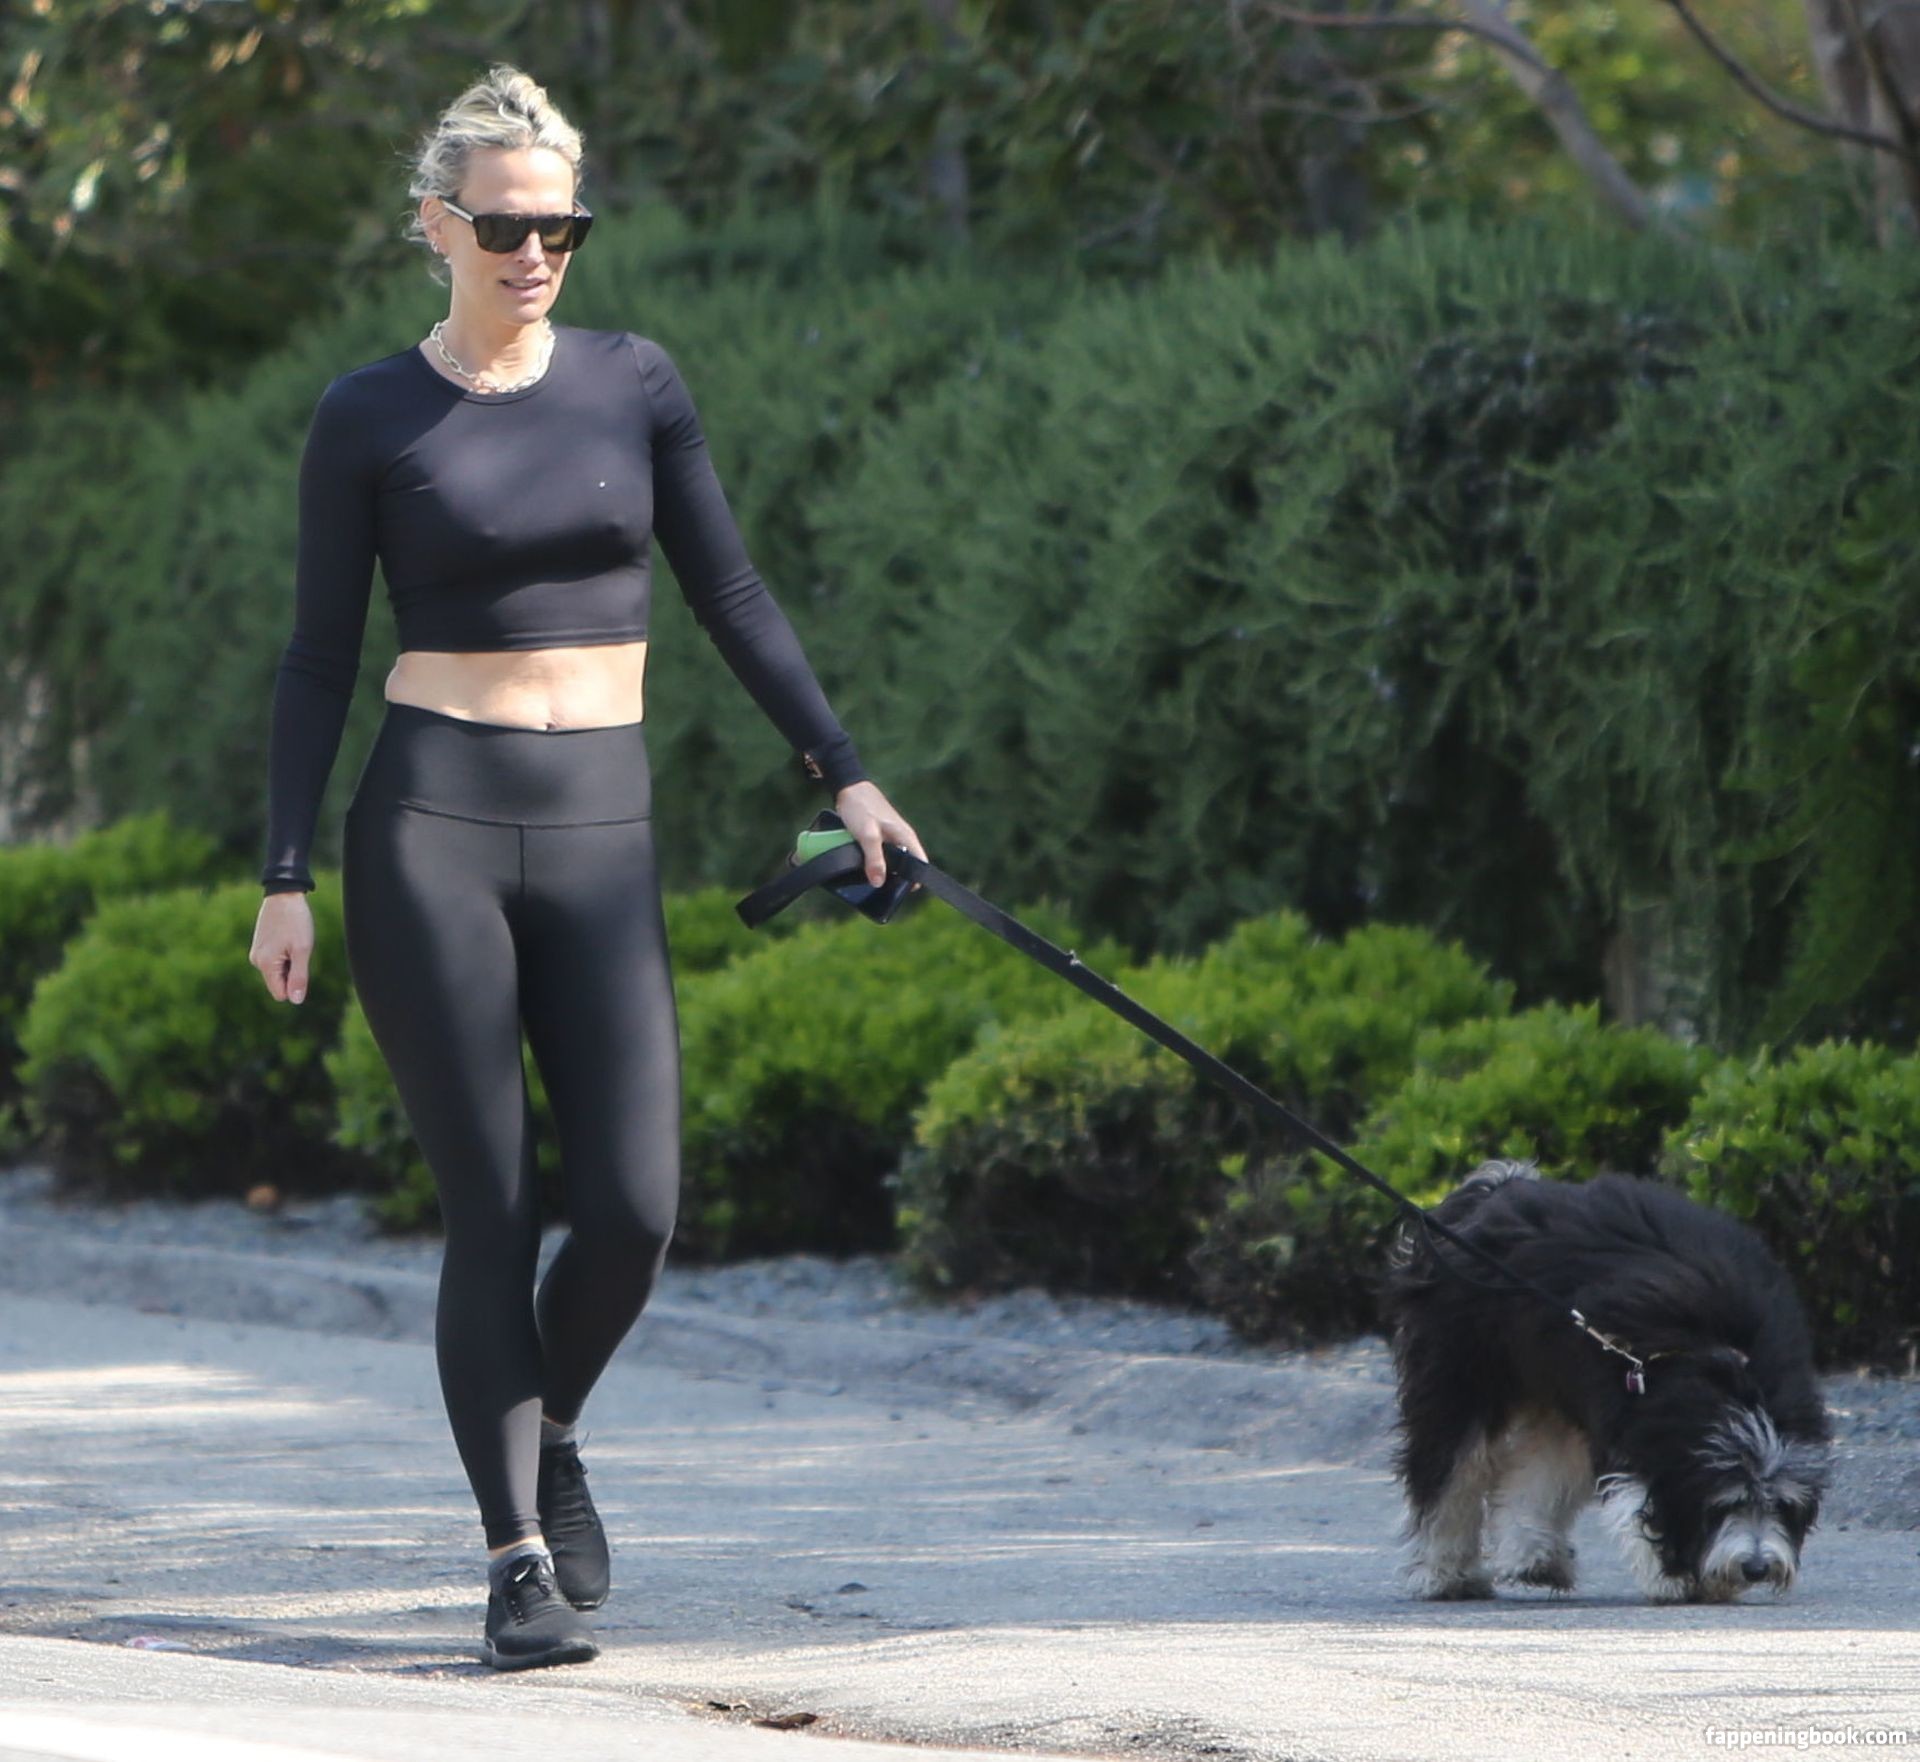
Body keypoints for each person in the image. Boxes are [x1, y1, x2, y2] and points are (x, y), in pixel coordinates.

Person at [247, 63, 926, 1672]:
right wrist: (282, 870)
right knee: (494, 1206)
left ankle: (548, 1427)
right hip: (431, 823)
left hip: (602, 822)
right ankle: (515, 1562)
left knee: (632, 1208)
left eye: (562, 226)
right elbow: (316, 659)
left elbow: (731, 593)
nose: (537, 252)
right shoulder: (368, 415)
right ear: (438, 226)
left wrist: (846, 770)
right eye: (504, 226)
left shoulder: (634, 381)